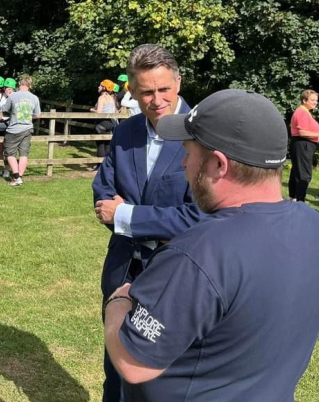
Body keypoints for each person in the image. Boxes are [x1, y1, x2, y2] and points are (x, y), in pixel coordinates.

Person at [104, 89, 319, 402]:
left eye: (188, 153)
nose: (185, 164)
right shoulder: (317, 228)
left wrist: (118, 304)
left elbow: (135, 364)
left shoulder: (198, 253)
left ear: (218, 164)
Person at [91, 44, 202, 402]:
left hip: (174, 274)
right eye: (145, 92)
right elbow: (103, 195)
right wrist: (141, 218)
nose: (156, 100)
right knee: (115, 369)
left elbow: (199, 215)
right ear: (133, 92)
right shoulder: (126, 132)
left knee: (160, 377)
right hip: (122, 268)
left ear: (179, 82)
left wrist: (128, 215)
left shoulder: (201, 135)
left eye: (163, 89)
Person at [288, 89, 319, 202]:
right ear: (304, 100)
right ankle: (300, 200)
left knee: (297, 171)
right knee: (304, 174)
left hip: (303, 144)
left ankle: (294, 197)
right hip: (302, 144)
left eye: (316, 100)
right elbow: (302, 132)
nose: (315, 102)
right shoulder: (302, 112)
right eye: (312, 100)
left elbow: (307, 130)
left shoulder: (306, 112)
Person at [0, 75, 41, 187]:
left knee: (10, 153)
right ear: (30, 85)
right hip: (27, 128)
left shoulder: (13, 96)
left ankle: (17, 177)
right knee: (24, 154)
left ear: (19, 84)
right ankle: (20, 177)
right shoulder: (34, 98)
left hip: (14, 128)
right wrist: (27, 116)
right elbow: (37, 115)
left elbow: (5, 109)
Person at [92, 80, 118, 163]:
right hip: (110, 123)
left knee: (100, 144)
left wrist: (92, 110)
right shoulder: (111, 98)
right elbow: (114, 112)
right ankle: (107, 165)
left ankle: (100, 165)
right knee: (107, 144)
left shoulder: (101, 98)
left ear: (104, 88)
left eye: (100, 85)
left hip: (102, 123)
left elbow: (99, 112)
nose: (98, 87)